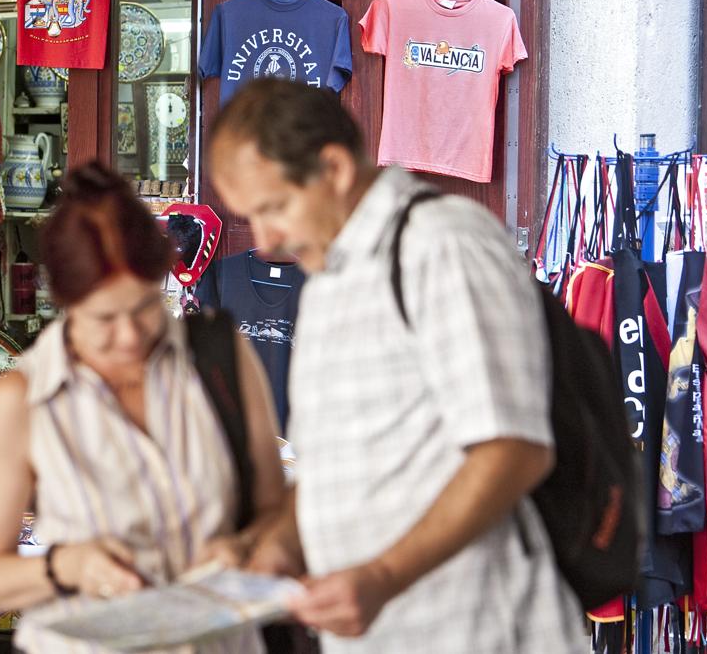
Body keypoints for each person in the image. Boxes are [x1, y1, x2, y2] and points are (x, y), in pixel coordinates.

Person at [205, 79, 584, 652]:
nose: (263, 241)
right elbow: (337, 471)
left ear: (333, 169)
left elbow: (514, 450)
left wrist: (383, 576)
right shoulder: (332, 278)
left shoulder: (440, 244)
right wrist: (275, 544)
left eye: (274, 208)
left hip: (475, 631)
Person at [0, 162, 287, 653]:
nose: (130, 335)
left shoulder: (220, 357)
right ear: (66, 303)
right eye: (105, 319)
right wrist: (69, 566)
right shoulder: (25, 399)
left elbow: (278, 512)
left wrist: (243, 549)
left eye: (143, 307)